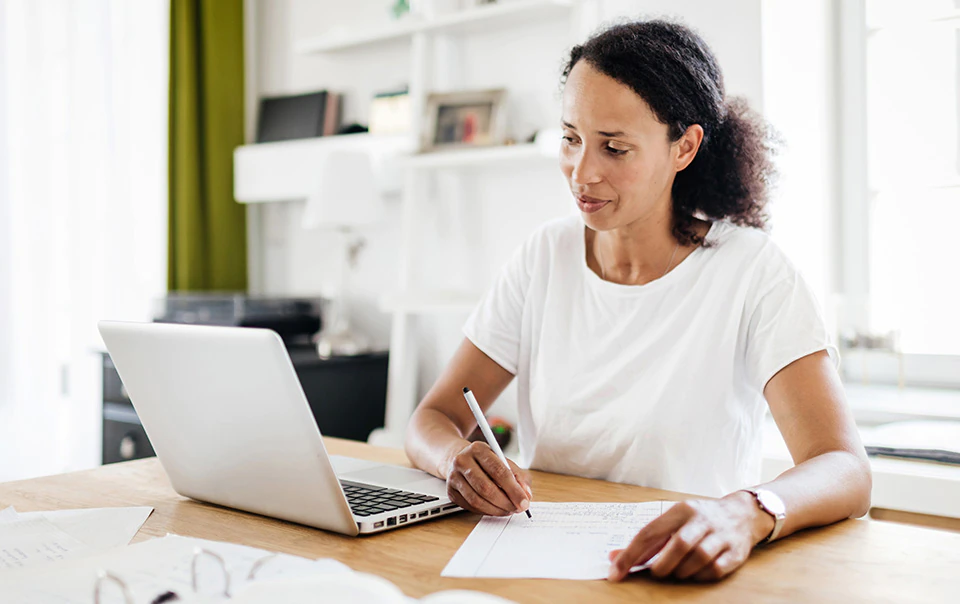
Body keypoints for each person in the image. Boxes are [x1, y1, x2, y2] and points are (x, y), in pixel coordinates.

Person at [404, 19, 871, 583]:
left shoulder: (752, 271)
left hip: (683, 571)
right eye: (571, 138)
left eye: (615, 147)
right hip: (539, 562)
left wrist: (744, 511)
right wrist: (453, 458)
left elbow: (844, 468)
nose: (582, 172)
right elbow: (433, 417)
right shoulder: (544, 257)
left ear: (685, 147)